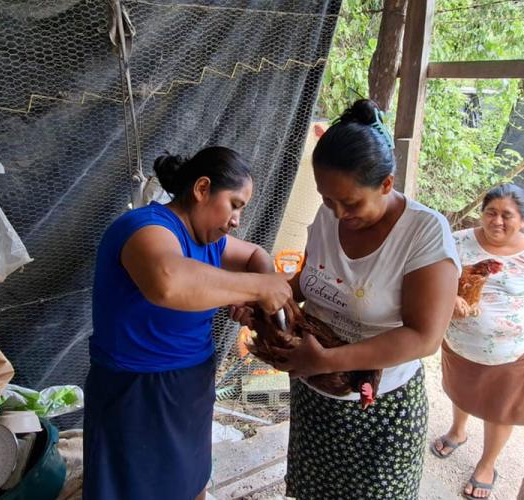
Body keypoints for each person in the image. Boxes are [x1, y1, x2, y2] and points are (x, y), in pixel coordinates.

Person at [234, 99, 460, 499]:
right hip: (316, 394)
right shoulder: (329, 217)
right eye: (327, 200)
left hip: (379, 408)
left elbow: (423, 337)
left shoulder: (424, 234)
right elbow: (308, 280)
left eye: (351, 203)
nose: (337, 213)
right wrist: (261, 299)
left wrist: (326, 359)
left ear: (387, 184)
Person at [83, 146, 293, 500]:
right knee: (131, 488)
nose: (237, 220)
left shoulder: (210, 240)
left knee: (190, 481)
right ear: (201, 189)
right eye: (235, 205)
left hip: (191, 385)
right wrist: (257, 287)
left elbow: (256, 255)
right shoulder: (144, 229)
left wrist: (257, 297)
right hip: (137, 390)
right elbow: (169, 282)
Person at [430, 184, 524, 499]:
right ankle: (458, 431)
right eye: (491, 212)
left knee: (500, 410)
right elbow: (432, 279)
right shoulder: (457, 241)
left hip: (510, 353)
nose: (497, 221)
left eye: (507, 215)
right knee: (460, 390)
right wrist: (449, 299)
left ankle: (487, 463)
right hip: (460, 344)